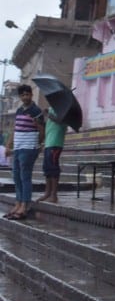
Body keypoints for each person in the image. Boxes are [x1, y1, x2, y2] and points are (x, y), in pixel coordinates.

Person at [4, 85, 45, 220]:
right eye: (23, 95)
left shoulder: (36, 111)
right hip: (17, 147)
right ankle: (18, 202)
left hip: (29, 148)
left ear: (31, 95)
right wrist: (8, 146)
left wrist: (38, 143)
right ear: (20, 97)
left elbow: (42, 132)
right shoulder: (19, 110)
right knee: (16, 176)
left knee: (25, 176)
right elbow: (15, 129)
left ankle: (25, 205)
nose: (25, 97)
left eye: (27, 94)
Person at [37, 107, 67, 203]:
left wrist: (48, 115)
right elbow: (49, 125)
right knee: (47, 169)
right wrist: (39, 122)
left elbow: (60, 121)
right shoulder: (51, 108)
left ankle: (54, 195)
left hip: (56, 142)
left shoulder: (64, 109)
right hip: (48, 142)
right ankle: (47, 193)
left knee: (53, 168)